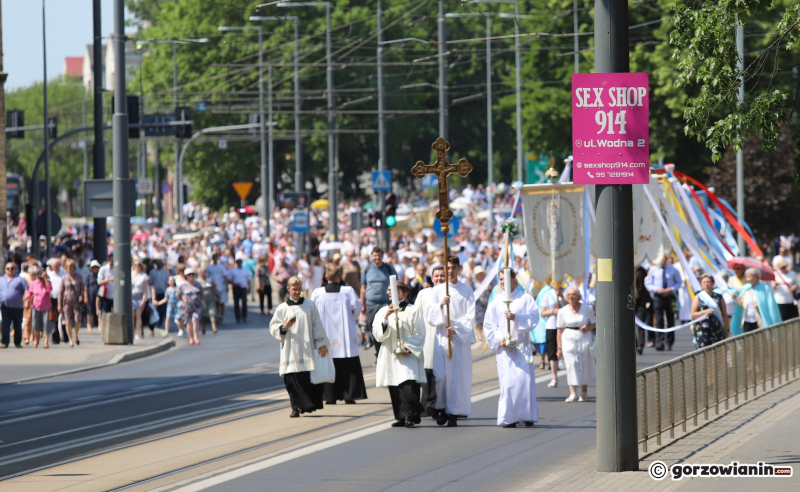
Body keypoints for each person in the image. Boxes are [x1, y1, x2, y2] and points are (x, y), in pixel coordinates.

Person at [483, 269, 540, 428]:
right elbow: (489, 326)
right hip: (505, 350)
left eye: (506, 279)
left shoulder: (525, 298)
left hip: (521, 347)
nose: (503, 282)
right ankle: (509, 418)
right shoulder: (496, 302)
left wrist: (516, 317)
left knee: (524, 383)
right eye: (501, 279)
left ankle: (527, 415)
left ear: (514, 281)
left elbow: (534, 318)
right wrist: (499, 339)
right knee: (508, 385)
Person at [269, 276, 330, 418]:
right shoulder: (282, 308)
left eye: (298, 289)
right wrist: (284, 326)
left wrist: (322, 344)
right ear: (288, 289)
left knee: (306, 380)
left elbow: (317, 326)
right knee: (292, 381)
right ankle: (295, 407)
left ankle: (306, 406)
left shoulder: (310, 305)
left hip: (307, 350)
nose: (296, 292)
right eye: (294, 289)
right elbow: (273, 327)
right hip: (290, 351)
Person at [425, 256, 475, 427]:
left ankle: (453, 412)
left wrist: (457, 329)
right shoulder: (437, 290)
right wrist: (440, 304)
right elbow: (429, 314)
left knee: (455, 377)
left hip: (458, 340)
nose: (451, 271)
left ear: (459, 269)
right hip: (441, 336)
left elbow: (470, 316)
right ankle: (441, 407)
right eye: (448, 268)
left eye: (454, 268)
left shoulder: (466, 290)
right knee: (441, 376)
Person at [372, 280, 427, 428]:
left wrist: (408, 346)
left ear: (400, 292)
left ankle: (410, 416)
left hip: (407, 355)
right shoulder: (382, 311)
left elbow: (420, 333)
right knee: (395, 387)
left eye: (390, 290)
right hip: (390, 355)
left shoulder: (413, 310)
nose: (387, 293)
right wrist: (385, 318)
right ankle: (401, 417)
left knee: (408, 386)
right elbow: (377, 334)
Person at [311, 265, 367, 405]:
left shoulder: (318, 293)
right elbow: (357, 309)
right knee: (348, 365)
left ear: (326, 277)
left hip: (326, 335)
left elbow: (313, 314)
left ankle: (330, 396)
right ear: (339, 276)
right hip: (345, 335)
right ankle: (349, 395)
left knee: (328, 364)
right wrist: (351, 317)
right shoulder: (348, 291)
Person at [414, 265, 446, 417]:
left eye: (442, 276)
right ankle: (427, 404)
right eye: (436, 276)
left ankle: (441, 404)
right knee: (428, 368)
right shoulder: (424, 293)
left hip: (445, 337)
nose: (439, 278)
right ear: (432, 278)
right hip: (428, 335)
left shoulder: (450, 292)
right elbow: (416, 315)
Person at [556, 286, 596, 402]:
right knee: (571, 364)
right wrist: (559, 347)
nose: (571, 297)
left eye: (573, 294)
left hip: (584, 338)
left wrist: (587, 328)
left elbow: (594, 323)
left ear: (578, 296)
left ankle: (584, 391)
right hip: (568, 339)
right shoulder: (562, 311)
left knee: (584, 363)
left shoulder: (587, 308)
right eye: (568, 294)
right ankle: (572, 392)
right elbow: (559, 330)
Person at [360, 248, 394, 359]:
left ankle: (387, 354)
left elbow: (395, 286)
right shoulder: (367, 269)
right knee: (375, 330)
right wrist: (362, 305)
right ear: (371, 256)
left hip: (386, 304)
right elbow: (363, 287)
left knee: (387, 328)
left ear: (382, 256)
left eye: (379, 255)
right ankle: (378, 353)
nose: (377, 258)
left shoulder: (389, 268)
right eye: (375, 255)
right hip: (371, 305)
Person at [645, 250, 682, 351]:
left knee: (670, 319)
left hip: (669, 296)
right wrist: (656, 289)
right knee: (659, 320)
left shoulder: (673, 269)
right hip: (658, 296)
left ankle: (669, 342)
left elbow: (679, 282)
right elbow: (648, 283)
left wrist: (672, 289)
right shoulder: (653, 269)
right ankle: (660, 342)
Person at [731, 268, 781, 335]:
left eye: (749, 277)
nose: (747, 279)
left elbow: (770, 305)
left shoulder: (764, 288)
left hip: (760, 320)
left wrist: (760, 305)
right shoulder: (746, 288)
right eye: (746, 277)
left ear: (756, 277)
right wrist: (736, 298)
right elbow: (741, 304)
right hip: (747, 321)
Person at [691, 273, 729, 347]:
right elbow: (693, 315)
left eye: (708, 282)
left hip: (717, 329)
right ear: (701, 284)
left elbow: (724, 315)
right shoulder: (698, 297)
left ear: (713, 283)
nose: (707, 284)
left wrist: (727, 329)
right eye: (704, 282)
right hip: (703, 329)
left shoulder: (719, 297)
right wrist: (704, 312)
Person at [538, 279, 564, 386]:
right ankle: (554, 377)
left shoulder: (566, 292)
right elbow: (542, 312)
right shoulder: (548, 294)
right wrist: (553, 312)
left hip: (563, 325)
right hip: (551, 325)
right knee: (552, 351)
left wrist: (562, 297)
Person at [0, 262, 28, 348]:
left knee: (17, 325)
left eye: (12, 268)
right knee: (5, 324)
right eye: (8, 268)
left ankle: (17, 342)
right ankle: (5, 342)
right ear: (5, 269)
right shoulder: (1, 279)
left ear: (15, 269)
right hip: (5, 306)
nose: (10, 270)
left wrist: (25, 300)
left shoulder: (20, 279)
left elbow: (26, 290)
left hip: (17, 306)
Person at [58, 259, 85, 347]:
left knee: (78, 320)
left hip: (76, 301)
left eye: (71, 266)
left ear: (74, 267)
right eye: (68, 266)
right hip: (66, 301)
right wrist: (59, 303)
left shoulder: (78, 277)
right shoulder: (64, 278)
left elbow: (82, 287)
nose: (69, 268)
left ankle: (76, 334)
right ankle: (70, 339)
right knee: (68, 321)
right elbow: (61, 292)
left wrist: (81, 295)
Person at [26, 267, 52, 349]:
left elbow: (49, 290)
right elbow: (30, 292)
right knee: (35, 324)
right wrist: (27, 300)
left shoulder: (48, 283)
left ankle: (46, 342)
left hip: (46, 306)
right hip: (36, 306)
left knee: (46, 324)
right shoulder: (34, 283)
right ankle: (36, 341)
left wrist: (45, 280)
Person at [177, 268, 203, 345]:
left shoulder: (198, 284)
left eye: (192, 274)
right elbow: (178, 295)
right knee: (189, 322)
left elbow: (201, 294)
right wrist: (182, 301)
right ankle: (191, 338)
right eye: (189, 275)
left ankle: (196, 338)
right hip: (186, 307)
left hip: (196, 306)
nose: (191, 276)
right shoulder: (182, 285)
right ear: (186, 276)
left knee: (195, 320)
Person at [634, 266, 654, 355]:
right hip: (630, 303)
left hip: (640, 302)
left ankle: (640, 345)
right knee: (630, 326)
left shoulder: (641, 271)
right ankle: (635, 344)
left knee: (640, 324)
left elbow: (642, 287)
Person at [131, 260, 152, 340]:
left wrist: (143, 299)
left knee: (138, 316)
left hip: (140, 296)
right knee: (132, 316)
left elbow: (145, 290)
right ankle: (133, 331)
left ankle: (137, 333)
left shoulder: (144, 276)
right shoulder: (131, 274)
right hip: (132, 296)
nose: (137, 266)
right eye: (136, 264)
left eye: (139, 265)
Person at [227, 258, 252, 323]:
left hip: (243, 288)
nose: (239, 264)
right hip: (236, 288)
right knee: (236, 303)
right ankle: (238, 317)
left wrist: (249, 287)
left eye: (240, 262)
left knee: (244, 302)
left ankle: (244, 317)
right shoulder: (233, 270)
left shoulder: (245, 270)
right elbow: (228, 279)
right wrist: (234, 283)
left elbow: (248, 279)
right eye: (238, 263)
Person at [206, 253, 228, 321]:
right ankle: (216, 315)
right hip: (213, 288)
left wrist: (227, 286)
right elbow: (207, 277)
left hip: (221, 287)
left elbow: (225, 276)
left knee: (222, 303)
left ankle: (221, 316)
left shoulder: (221, 266)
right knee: (215, 302)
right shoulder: (209, 267)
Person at [149, 259, 170, 330]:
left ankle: (160, 323)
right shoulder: (152, 272)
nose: (160, 265)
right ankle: (154, 322)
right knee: (154, 308)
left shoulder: (165, 272)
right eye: (159, 264)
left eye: (161, 264)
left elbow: (168, 281)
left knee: (161, 309)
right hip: (154, 293)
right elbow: (150, 282)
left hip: (163, 292)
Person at [97, 251, 115, 333]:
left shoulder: (117, 268)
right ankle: (105, 329)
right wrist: (109, 280)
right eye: (111, 263)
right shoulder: (103, 269)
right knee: (106, 312)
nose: (112, 265)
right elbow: (99, 282)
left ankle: (113, 329)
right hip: (106, 294)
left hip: (115, 295)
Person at [199, 267, 220, 335]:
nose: (204, 274)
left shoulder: (209, 280)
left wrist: (218, 295)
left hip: (210, 299)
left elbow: (214, 289)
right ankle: (203, 328)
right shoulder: (198, 282)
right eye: (203, 272)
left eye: (205, 272)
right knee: (203, 315)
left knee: (212, 313)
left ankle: (214, 327)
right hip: (202, 300)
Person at [86, 260, 101, 332]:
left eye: (96, 267)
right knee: (90, 311)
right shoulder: (89, 276)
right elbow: (86, 287)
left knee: (99, 309)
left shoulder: (99, 275)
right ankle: (89, 323)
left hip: (98, 295)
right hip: (90, 295)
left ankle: (100, 324)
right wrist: (86, 296)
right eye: (93, 267)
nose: (95, 269)